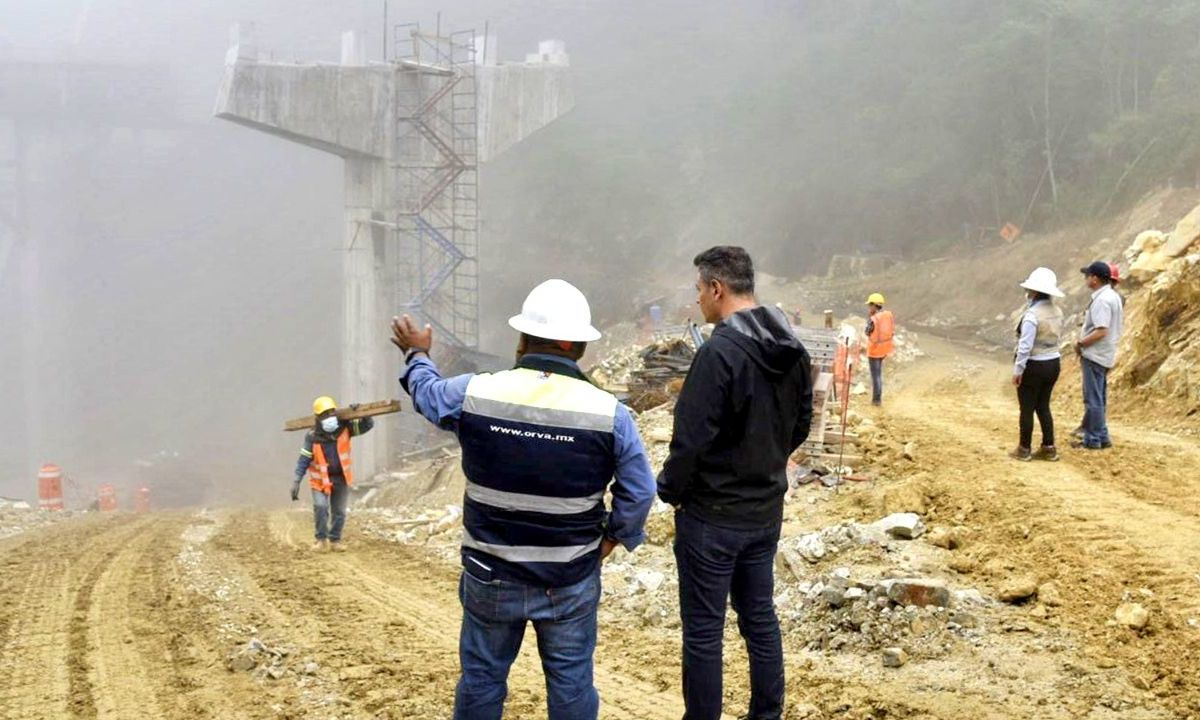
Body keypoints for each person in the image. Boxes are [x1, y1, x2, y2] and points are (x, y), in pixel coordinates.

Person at [392, 279, 656, 720]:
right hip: (569, 578)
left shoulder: (476, 393)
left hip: (489, 572)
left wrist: (416, 353)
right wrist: (611, 540)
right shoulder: (610, 413)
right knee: (572, 687)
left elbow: (428, 395)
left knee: (482, 681)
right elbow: (640, 491)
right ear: (578, 347)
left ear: (522, 340)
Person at [658, 246, 813, 720]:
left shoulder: (719, 353)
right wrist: (766, 464)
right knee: (760, 619)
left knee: (704, 631)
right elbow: (802, 423)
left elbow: (690, 440)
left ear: (717, 288)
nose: (698, 299)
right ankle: (767, 714)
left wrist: (671, 491)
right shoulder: (793, 348)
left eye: (700, 289)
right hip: (765, 511)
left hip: (712, 517)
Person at [291, 396, 374, 551]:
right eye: (324, 414)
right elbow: (304, 459)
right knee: (320, 507)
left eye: (331, 412)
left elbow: (367, 425)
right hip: (320, 480)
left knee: (339, 511)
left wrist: (362, 413)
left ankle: (335, 541)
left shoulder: (345, 428)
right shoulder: (312, 436)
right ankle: (321, 540)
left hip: (340, 478)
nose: (329, 417)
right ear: (318, 417)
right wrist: (296, 480)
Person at [1009, 268, 1065, 462]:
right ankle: (1049, 447)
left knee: (1027, 407)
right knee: (1043, 406)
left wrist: (1018, 369)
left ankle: (1024, 448)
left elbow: (1025, 346)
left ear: (1033, 291)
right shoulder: (1057, 311)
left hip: (1034, 364)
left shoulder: (1032, 315)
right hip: (1053, 362)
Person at [1072, 261, 1124, 450]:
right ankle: (1102, 435)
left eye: (1088, 275)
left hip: (1095, 354)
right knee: (1099, 397)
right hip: (1105, 353)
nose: (1086, 279)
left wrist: (1080, 343)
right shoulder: (1113, 296)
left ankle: (1092, 439)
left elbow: (1101, 330)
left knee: (1092, 398)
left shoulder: (1102, 300)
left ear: (1094, 278)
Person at [864, 292, 894, 406]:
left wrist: (869, 317)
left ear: (873, 305)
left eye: (869, 305)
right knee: (878, 374)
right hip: (884, 349)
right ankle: (877, 398)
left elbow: (867, 332)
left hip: (874, 351)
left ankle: (876, 400)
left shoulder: (874, 319)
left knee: (876, 375)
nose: (869, 307)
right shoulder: (888, 315)